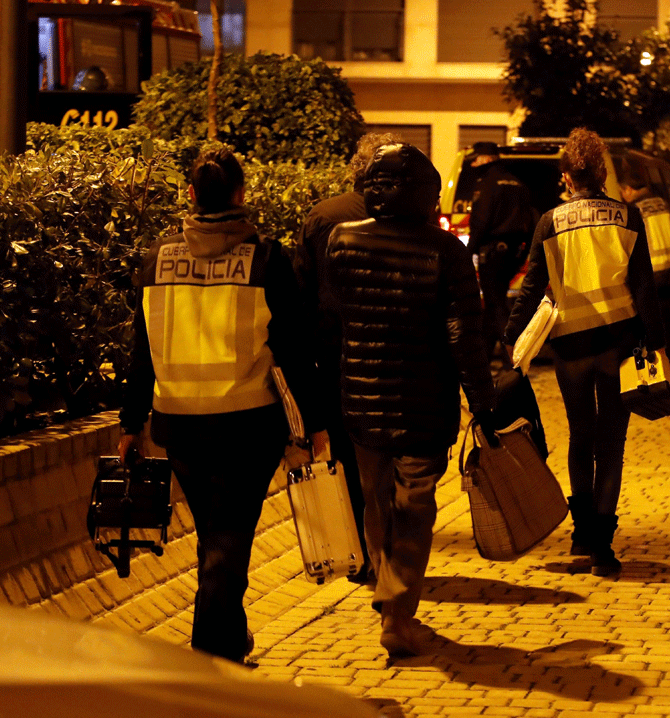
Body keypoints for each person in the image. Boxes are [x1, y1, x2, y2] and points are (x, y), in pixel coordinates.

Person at [118, 148, 328, 663]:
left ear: (190, 195)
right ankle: (211, 652)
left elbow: (140, 348)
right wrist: (314, 425)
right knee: (229, 537)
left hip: (179, 425)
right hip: (247, 426)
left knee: (214, 536)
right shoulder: (266, 260)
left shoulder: (155, 260)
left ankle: (227, 640)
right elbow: (295, 351)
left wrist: (131, 422)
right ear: (239, 195)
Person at [321, 143, 497, 658]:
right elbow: (465, 333)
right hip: (425, 401)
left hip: (361, 396)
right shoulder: (447, 252)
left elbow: (331, 317)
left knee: (376, 500)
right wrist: (481, 399)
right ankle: (397, 608)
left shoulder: (342, 241)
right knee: (414, 505)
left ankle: (388, 593)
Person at [504, 128, 666, 577]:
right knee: (611, 444)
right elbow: (645, 289)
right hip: (617, 345)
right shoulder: (628, 216)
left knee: (580, 436)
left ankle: (582, 533)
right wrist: (662, 344)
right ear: (600, 173)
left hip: (570, 347)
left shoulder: (549, 222)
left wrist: (508, 338)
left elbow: (531, 286)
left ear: (567, 177)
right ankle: (603, 547)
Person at [293, 132, 399, 585]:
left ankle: (365, 550)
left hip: (336, 355)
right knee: (393, 456)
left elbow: (299, 296)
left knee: (354, 457)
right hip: (396, 355)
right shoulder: (408, 215)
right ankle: (393, 550)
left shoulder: (323, 216)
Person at [467, 141, 539, 359]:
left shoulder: (486, 184)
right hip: (515, 252)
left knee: (496, 304)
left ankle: (513, 354)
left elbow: (480, 222)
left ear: (487, 159)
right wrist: (524, 254)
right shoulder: (519, 184)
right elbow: (531, 221)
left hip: (493, 252)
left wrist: (468, 250)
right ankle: (484, 355)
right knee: (493, 301)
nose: (473, 164)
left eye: (476, 159)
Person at [619, 169, 670, 363]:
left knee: (653, 327)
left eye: (623, 192)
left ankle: (667, 372)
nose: (623, 196)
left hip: (652, 272)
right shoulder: (662, 203)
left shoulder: (635, 209)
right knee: (669, 325)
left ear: (629, 189)